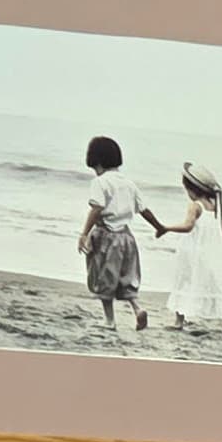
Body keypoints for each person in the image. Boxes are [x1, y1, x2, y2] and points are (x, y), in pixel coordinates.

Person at [145, 161, 222, 337]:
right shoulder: (213, 204)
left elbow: (188, 226)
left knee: (184, 280)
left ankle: (179, 321)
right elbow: (221, 227)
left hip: (193, 251)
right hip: (213, 250)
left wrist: (166, 228)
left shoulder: (195, 205)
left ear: (191, 189)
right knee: (218, 284)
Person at [78, 137, 149, 335]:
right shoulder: (129, 183)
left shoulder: (99, 182)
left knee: (104, 279)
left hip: (106, 236)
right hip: (127, 237)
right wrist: (159, 226)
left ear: (96, 162)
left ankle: (109, 321)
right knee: (125, 278)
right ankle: (137, 308)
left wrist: (84, 233)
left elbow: (97, 207)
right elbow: (143, 209)